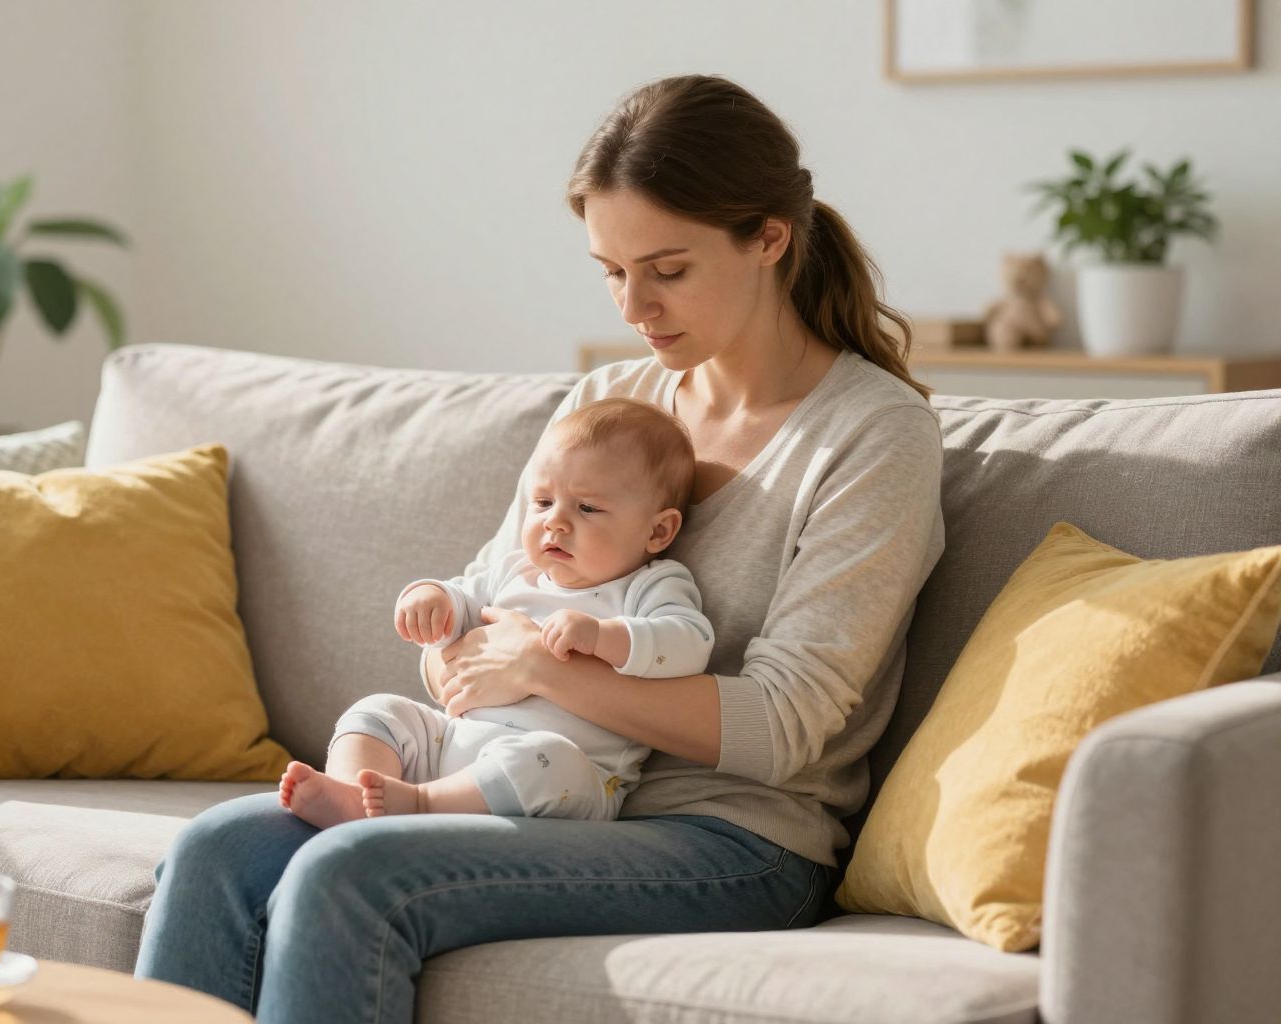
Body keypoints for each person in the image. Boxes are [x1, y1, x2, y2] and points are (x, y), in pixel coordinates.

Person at [134, 73, 946, 1023]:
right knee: (215, 853)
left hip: (734, 840)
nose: (635, 305)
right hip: (523, 790)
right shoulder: (607, 405)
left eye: (668, 269)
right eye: (612, 270)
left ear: (770, 238)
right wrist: (454, 646)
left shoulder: (872, 434)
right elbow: (486, 622)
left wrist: (547, 675)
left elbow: (780, 729)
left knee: (355, 872)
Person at [279, 398, 714, 828]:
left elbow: (689, 644)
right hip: (452, 743)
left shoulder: (651, 585)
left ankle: (421, 805)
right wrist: (429, 597)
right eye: (543, 502)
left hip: (567, 776)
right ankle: (352, 796)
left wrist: (603, 636)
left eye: (586, 508)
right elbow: (459, 598)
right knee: (379, 710)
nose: (554, 523)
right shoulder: (515, 570)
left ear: (658, 530)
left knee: (546, 758)